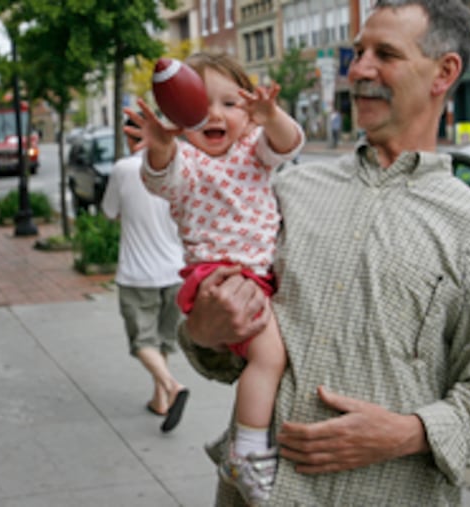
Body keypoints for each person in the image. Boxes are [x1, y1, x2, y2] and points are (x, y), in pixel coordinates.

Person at [177, 1, 470, 505]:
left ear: (444, 71)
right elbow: (223, 353)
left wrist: (411, 432)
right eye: (358, 52)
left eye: (385, 54)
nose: (359, 69)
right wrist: (203, 332)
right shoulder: (287, 192)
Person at [125, 50, 304, 504]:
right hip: (215, 277)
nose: (215, 114)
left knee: (268, 356)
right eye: (200, 105)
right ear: (181, 116)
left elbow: (289, 142)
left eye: (231, 103)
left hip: (255, 278)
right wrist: (161, 143)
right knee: (270, 355)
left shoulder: (253, 150)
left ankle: (247, 446)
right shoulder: (189, 162)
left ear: (249, 113)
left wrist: (273, 115)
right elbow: (161, 175)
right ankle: (246, 450)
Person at [101, 116, 189, 433]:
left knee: (142, 343)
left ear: (130, 137)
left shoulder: (124, 169)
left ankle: (172, 386)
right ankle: (160, 401)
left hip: (137, 274)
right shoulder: (181, 167)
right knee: (163, 341)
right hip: (175, 271)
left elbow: (109, 212)